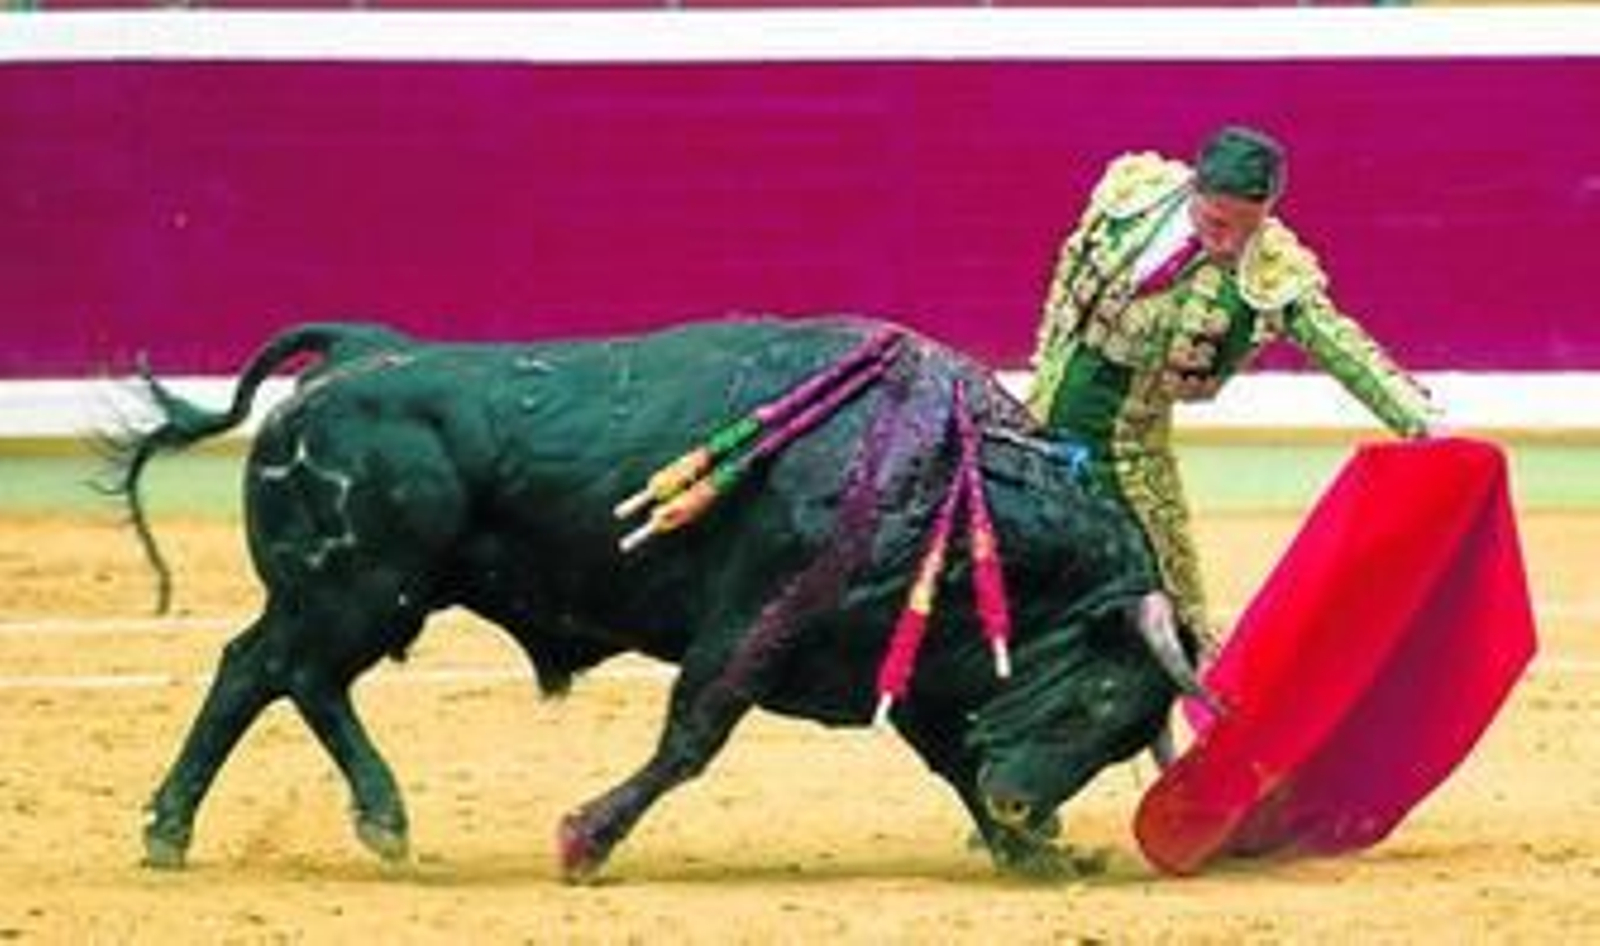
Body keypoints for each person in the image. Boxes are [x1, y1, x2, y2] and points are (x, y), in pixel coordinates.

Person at [1026, 125, 1436, 651]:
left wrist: (1422, 421)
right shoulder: (1134, 194)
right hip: (1034, 420)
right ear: (1192, 190)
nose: (1229, 242)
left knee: (1180, 615)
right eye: (1217, 221)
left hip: (1127, 452)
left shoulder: (1268, 267)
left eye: (1247, 228)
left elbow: (1340, 344)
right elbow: (1066, 289)